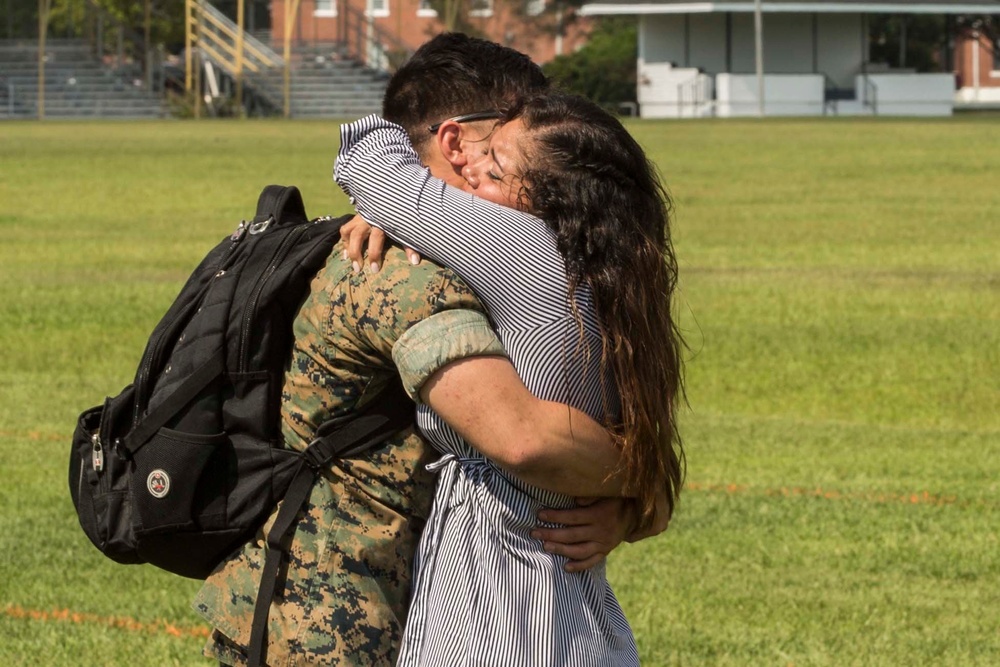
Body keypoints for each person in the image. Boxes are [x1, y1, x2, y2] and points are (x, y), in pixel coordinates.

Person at [193, 34, 643, 667]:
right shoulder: (404, 268)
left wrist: (630, 503)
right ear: (457, 142)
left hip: (474, 609)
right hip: (335, 615)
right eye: (508, 136)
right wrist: (642, 480)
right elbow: (528, 438)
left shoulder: (493, 245)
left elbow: (546, 438)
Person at [335, 91, 685, 665]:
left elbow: (367, 161)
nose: (468, 167)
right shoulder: (609, 276)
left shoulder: (523, 246)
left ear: (549, 202)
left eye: (494, 167)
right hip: (579, 618)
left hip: (500, 611)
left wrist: (387, 204)